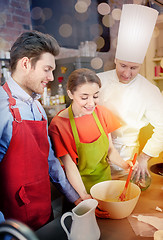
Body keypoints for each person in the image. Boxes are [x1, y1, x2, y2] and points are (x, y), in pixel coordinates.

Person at [0, 30, 80, 231]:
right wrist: (4, 231)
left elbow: (50, 161)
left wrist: (76, 198)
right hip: (14, 225)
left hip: (44, 214)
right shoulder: (2, 108)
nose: (51, 77)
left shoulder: (36, 107)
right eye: (46, 69)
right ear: (26, 64)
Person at [97, 4, 163, 184]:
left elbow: (162, 127)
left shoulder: (150, 90)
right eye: (123, 66)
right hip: (95, 156)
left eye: (134, 68)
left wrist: (143, 157)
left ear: (140, 65)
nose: (127, 73)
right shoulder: (97, 80)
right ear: (116, 60)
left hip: (127, 160)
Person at [49, 68, 132, 202]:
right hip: (80, 190)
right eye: (84, 97)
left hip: (105, 187)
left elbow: (110, 150)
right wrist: (84, 196)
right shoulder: (58, 125)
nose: (91, 103)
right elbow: (70, 167)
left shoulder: (102, 113)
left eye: (95, 96)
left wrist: (124, 164)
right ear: (70, 94)